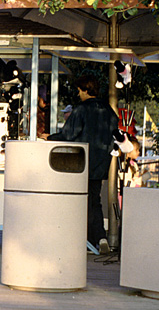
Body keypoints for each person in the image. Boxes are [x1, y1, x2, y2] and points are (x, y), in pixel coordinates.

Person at [47, 74, 118, 255]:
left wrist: (48, 137)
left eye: (79, 90)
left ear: (86, 90)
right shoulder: (109, 111)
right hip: (101, 163)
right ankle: (100, 237)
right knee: (94, 201)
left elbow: (68, 135)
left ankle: (84, 239)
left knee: (78, 201)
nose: (79, 94)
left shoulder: (81, 109)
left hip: (80, 163)